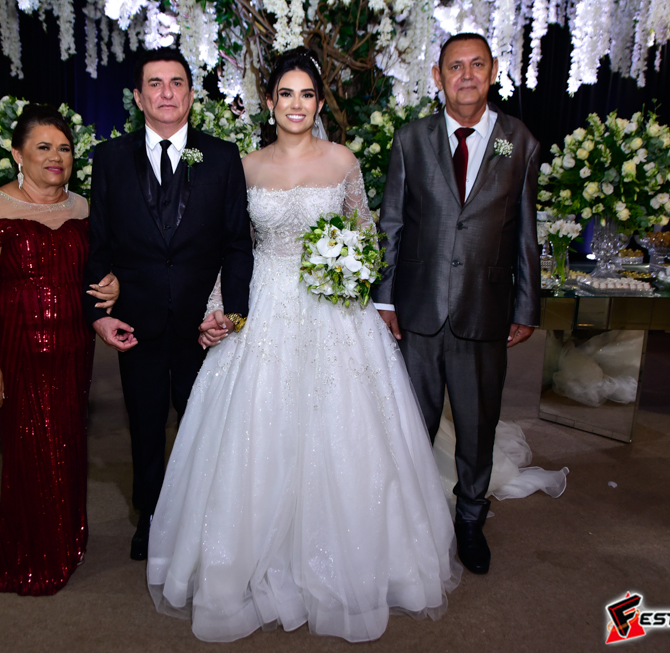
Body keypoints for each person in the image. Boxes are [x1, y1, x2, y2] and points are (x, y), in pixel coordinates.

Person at [146, 47, 460, 643]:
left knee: (344, 426)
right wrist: (217, 307)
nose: (296, 105)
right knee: (258, 424)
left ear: (319, 104)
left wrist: (351, 267)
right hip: (264, 299)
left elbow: (365, 233)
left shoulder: (342, 159)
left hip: (334, 306)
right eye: (286, 94)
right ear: (269, 102)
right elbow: (231, 247)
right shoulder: (243, 166)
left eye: (307, 95)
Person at [373, 33, 542, 576]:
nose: (466, 75)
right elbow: (392, 223)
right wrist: (383, 298)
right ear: (437, 76)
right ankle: (404, 520)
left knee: (477, 425)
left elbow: (526, 232)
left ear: (492, 72)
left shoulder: (518, 141)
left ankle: (470, 518)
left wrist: (526, 306)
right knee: (410, 425)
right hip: (417, 310)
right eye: (454, 66)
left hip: (483, 308)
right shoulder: (411, 139)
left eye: (476, 65)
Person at [82, 48, 254, 562]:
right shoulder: (110, 158)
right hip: (138, 322)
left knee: (207, 427)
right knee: (145, 425)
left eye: (176, 82)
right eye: (154, 84)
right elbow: (98, 244)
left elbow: (237, 244)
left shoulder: (222, 156)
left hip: (205, 325)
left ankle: (205, 517)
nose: (166, 93)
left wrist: (232, 313)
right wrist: (100, 314)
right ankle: (151, 516)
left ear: (191, 95)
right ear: (138, 97)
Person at [0, 104, 118, 596]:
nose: (56, 157)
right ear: (17, 154)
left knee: (67, 448)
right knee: (29, 453)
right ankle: (30, 559)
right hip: (17, 355)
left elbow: (100, 272)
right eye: (43, 147)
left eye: (64, 148)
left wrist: (113, 285)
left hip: (73, 352)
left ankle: (65, 542)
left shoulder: (85, 208)